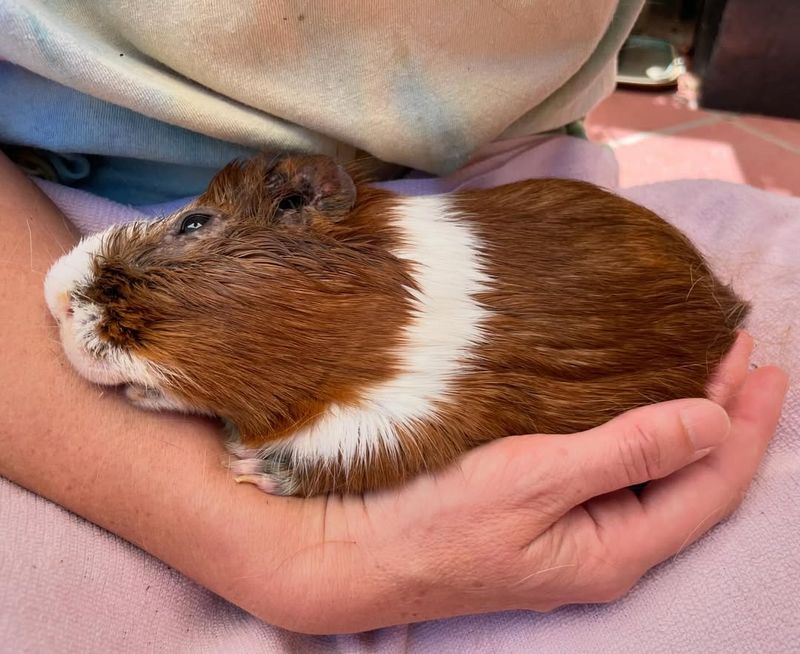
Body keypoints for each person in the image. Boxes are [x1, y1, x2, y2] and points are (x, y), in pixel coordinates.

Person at [0, 152, 788, 633]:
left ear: (309, 210)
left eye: (196, 231)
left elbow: (366, 436)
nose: (78, 293)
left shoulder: (406, 351)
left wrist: (299, 470)